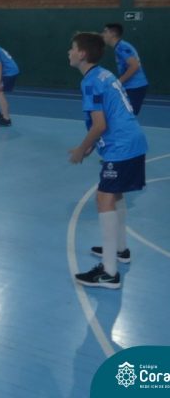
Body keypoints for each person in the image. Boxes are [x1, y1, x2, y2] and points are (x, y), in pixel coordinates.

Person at [68, 32, 147, 289]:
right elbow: (108, 117)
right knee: (115, 195)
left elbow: (100, 124)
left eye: (72, 48)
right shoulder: (104, 74)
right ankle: (120, 249)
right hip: (132, 141)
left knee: (103, 199)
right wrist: (90, 146)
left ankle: (109, 273)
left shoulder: (91, 82)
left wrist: (81, 149)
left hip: (121, 147)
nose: (69, 52)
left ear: (82, 54)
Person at [102, 23, 148, 115]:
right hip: (129, 86)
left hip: (136, 86)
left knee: (128, 115)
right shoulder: (119, 47)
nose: (103, 34)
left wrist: (119, 82)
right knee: (121, 113)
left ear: (113, 33)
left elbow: (134, 66)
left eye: (105, 32)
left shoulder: (121, 47)